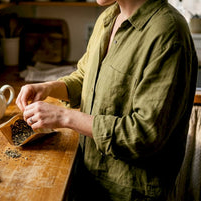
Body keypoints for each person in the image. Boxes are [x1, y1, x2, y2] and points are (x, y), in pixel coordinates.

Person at [15, 0, 198, 200]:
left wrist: (64, 117)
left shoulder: (168, 33)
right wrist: (49, 87)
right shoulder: (109, 17)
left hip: (129, 192)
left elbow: (144, 135)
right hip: (88, 177)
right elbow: (86, 76)